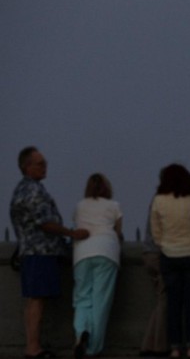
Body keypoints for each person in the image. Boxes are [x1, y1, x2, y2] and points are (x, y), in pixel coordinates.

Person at [10, 146, 89, 359]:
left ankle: (32, 346)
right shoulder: (34, 191)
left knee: (34, 301)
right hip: (40, 252)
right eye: (40, 163)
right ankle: (33, 348)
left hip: (31, 252)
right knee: (37, 300)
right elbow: (45, 222)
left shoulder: (21, 189)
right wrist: (71, 233)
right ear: (27, 167)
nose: (45, 167)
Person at [151, 164, 190, 359]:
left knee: (173, 304)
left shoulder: (158, 201)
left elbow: (156, 232)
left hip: (169, 255)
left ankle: (175, 347)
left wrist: (164, 245)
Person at [72, 173, 124, 359]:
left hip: (82, 254)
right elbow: (118, 233)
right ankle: (93, 348)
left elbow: (77, 225)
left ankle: (81, 334)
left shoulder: (80, 206)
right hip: (106, 252)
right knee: (100, 302)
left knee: (82, 298)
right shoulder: (114, 206)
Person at [139, 206, 169, 357]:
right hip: (160, 254)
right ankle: (157, 346)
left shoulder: (156, 199)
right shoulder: (167, 199)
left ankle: (149, 344)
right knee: (164, 299)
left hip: (148, 253)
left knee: (162, 298)